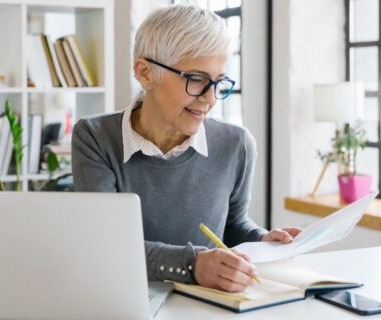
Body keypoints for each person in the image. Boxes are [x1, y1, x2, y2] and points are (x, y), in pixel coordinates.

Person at [72, 4, 301, 293]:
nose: (210, 99)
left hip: (206, 305)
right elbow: (105, 242)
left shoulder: (237, 145)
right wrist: (193, 265)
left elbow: (231, 225)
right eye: (196, 79)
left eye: (218, 82)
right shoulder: (94, 137)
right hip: (121, 297)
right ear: (145, 73)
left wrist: (262, 241)